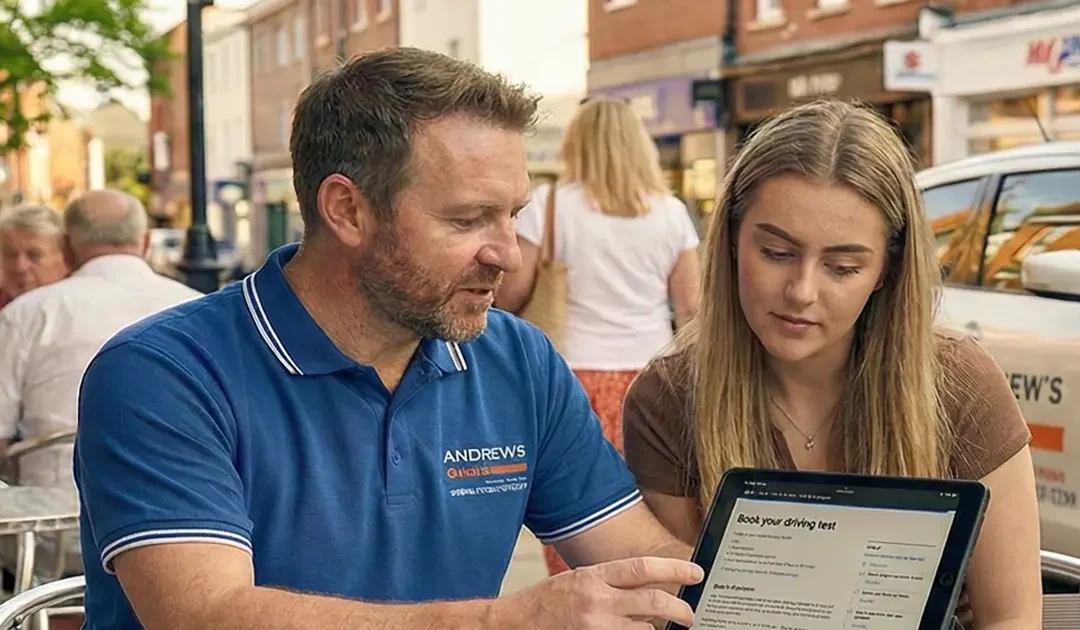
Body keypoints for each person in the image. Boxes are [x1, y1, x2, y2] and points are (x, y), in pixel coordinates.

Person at [73, 48, 701, 630]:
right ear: (347, 210)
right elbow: (205, 614)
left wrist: (750, 585)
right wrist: (508, 620)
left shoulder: (517, 359)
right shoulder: (162, 373)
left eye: (513, 215)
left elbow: (641, 557)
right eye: (467, 219)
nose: (508, 255)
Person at [622, 100, 1042, 628]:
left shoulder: (959, 383)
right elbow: (683, 615)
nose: (802, 291)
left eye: (842, 267)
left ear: (887, 270)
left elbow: (1013, 617)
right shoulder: (668, 398)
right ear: (730, 241)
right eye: (776, 253)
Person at [495, 96, 701, 576]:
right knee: (649, 525)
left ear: (578, 144)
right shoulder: (670, 213)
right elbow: (691, 306)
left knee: (575, 523)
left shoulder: (550, 207)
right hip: (654, 383)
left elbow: (509, 294)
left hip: (575, 380)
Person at [0, 190, 201, 597]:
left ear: (67, 246)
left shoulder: (28, 314)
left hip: (54, 541)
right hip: (192, 535)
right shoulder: (201, 309)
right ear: (146, 241)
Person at [0, 204, 69, 309]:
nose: (20, 267)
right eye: (10, 255)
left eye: (34, 255)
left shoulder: (80, 308)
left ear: (66, 258)